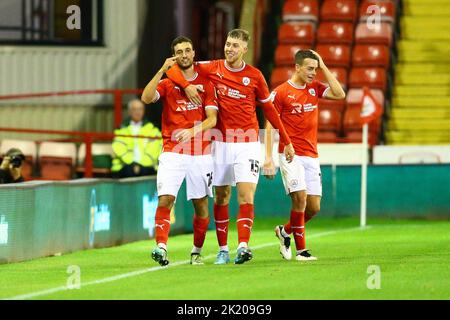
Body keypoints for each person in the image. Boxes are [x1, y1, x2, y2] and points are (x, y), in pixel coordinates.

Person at [166, 29, 295, 265]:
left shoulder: (255, 76)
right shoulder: (212, 67)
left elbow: (270, 111)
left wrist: (286, 140)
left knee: (246, 195)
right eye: (227, 44)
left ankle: (243, 246)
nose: (229, 49)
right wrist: (186, 85)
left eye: (235, 45)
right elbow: (172, 67)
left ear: (245, 49)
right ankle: (223, 249)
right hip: (220, 143)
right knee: (222, 196)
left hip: (247, 143)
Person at [141, 36, 219, 266]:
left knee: (201, 205)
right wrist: (161, 70)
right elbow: (146, 98)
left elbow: (212, 120)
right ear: (174, 56)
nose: (184, 55)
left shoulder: (207, 83)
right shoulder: (167, 83)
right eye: (179, 52)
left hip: (201, 152)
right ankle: (161, 247)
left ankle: (196, 250)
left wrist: (193, 131)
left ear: (194, 53)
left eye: (187, 50)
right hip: (172, 150)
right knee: (165, 199)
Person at [263, 49, 346, 261]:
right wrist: (269, 157)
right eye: (309, 68)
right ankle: (302, 251)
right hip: (290, 152)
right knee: (299, 199)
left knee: (314, 207)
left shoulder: (314, 89)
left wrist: (324, 65)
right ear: (297, 67)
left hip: (311, 154)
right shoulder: (281, 92)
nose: (313, 73)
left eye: (315, 69)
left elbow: (340, 94)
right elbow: (270, 123)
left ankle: (284, 232)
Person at [111, 99, 162, 178]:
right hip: (126, 166)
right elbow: (119, 149)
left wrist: (140, 165)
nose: (138, 112)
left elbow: (154, 150)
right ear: (129, 111)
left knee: (146, 172)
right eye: (134, 109)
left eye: (140, 109)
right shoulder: (121, 129)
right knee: (127, 171)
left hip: (147, 167)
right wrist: (133, 164)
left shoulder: (153, 130)